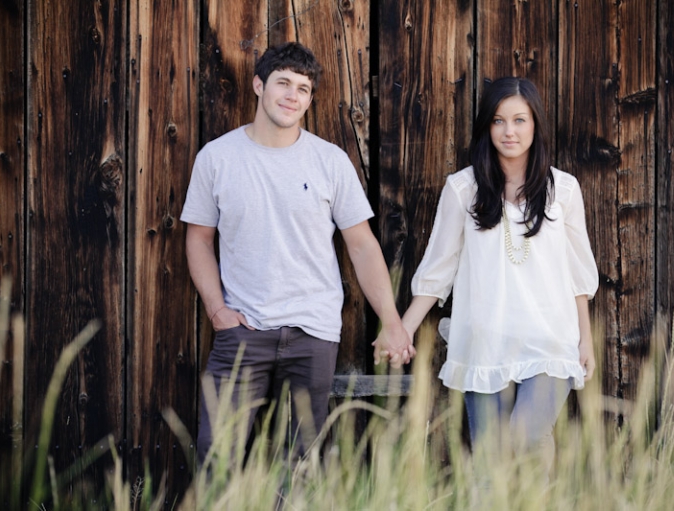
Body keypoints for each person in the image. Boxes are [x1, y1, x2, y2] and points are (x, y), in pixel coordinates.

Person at [181, 42, 413, 465]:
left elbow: (361, 245)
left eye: (303, 89)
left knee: (302, 465)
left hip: (313, 333)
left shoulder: (330, 161)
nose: (293, 96)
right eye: (283, 83)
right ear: (258, 85)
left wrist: (393, 321)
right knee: (218, 459)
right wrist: (218, 312)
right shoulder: (217, 158)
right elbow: (198, 239)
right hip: (242, 330)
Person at [398, 77, 598, 475]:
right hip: (484, 343)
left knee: (524, 440)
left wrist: (585, 339)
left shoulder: (564, 190)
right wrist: (402, 329)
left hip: (548, 343)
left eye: (520, 120)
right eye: (498, 121)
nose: (510, 131)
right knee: (489, 463)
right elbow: (439, 268)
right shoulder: (463, 188)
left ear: (536, 124)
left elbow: (578, 273)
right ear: (486, 128)